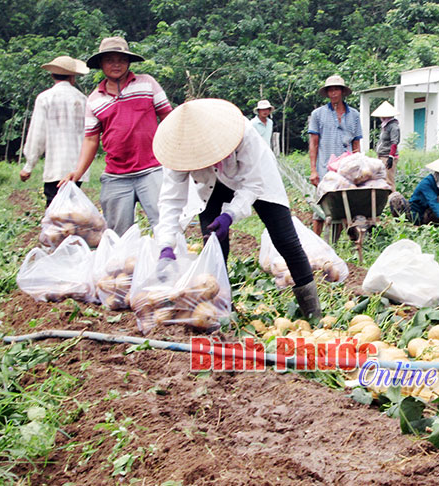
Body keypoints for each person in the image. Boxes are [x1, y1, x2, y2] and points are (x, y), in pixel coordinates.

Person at [152, 98, 321, 318]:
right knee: (213, 244)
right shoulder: (177, 151)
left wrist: (230, 215)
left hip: (255, 179)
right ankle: (219, 312)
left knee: (285, 239)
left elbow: (252, 184)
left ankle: (313, 312)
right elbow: (170, 200)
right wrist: (166, 244)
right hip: (210, 186)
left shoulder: (243, 133)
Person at [60, 36, 172, 236]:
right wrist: (77, 172)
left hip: (152, 169)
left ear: (128, 62)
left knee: (166, 225)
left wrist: (176, 154)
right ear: (101, 64)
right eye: (110, 60)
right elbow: (91, 139)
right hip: (116, 175)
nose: (116, 64)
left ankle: (170, 264)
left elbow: (167, 117)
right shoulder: (95, 99)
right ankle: (124, 267)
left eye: (121, 59)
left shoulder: (147, 84)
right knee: (117, 234)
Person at [21, 56, 90, 207]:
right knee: (73, 207)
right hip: (77, 166)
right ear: (73, 77)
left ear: (52, 75)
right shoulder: (83, 99)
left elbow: (37, 135)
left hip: (55, 166)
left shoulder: (45, 98)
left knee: (54, 209)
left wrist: (28, 166)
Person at [307, 75, 362, 235]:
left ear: (342, 92)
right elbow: (314, 143)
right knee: (320, 210)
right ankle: (316, 242)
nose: (333, 93)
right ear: (327, 93)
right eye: (330, 90)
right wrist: (313, 170)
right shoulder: (318, 114)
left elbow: (356, 144)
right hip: (325, 169)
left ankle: (337, 243)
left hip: (346, 169)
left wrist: (358, 167)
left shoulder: (354, 115)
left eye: (336, 89)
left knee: (343, 205)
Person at [389, 153, 439, 226]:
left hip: (427, 215)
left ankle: (431, 224)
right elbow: (432, 201)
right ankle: (402, 223)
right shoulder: (427, 182)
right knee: (395, 198)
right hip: (413, 213)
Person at [371, 101, 400, 190]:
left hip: (388, 157)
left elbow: (394, 142)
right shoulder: (385, 126)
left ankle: (393, 201)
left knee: (389, 181)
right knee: (381, 180)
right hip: (382, 155)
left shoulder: (394, 126)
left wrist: (391, 157)